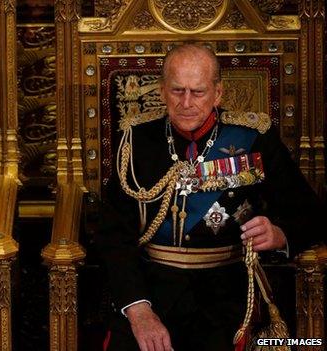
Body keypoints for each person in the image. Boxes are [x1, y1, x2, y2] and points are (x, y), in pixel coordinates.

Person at [97, 44, 324, 351]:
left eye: (198, 92)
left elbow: (310, 215)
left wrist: (280, 234)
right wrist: (138, 309)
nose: (186, 102)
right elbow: (114, 235)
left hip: (227, 293)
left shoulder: (252, 138)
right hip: (152, 288)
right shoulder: (136, 140)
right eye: (177, 90)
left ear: (218, 93)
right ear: (163, 91)